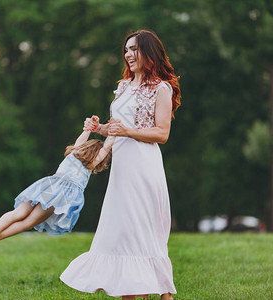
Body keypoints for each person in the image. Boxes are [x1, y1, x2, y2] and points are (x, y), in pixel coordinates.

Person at [60, 30, 181, 300]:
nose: (128, 54)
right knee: (123, 234)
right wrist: (99, 128)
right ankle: (135, 292)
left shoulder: (161, 88)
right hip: (122, 171)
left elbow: (162, 133)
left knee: (141, 232)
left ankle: (163, 293)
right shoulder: (124, 86)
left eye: (134, 49)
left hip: (144, 168)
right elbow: (118, 129)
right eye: (126, 49)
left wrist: (126, 131)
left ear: (149, 52)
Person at [0, 116, 115, 255]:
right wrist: (116, 130)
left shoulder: (74, 152)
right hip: (60, 196)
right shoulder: (91, 164)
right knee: (28, 222)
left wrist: (90, 128)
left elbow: (86, 132)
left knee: (18, 213)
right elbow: (107, 146)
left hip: (48, 185)